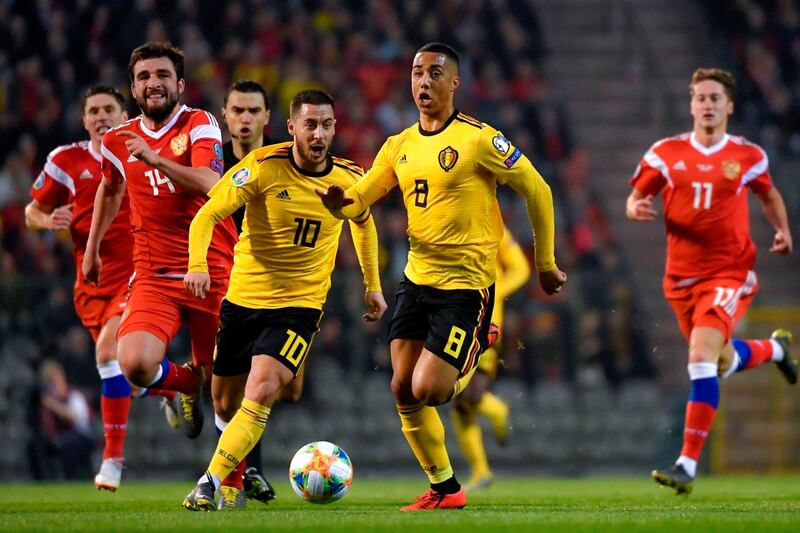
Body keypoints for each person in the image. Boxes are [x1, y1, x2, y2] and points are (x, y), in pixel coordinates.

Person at [317, 43, 566, 511]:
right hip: (415, 283)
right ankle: (446, 489)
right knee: (401, 387)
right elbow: (360, 199)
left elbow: (538, 188)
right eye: (416, 73)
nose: (424, 81)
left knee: (429, 388)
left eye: (435, 73)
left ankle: (480, 339)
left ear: (454, 83)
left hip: (466, 290)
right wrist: (340, 202)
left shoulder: (479, 140)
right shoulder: (398, 146)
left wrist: (546, 263)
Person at [182, 89, 386, 511]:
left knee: (262, 390)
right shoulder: (261, 167)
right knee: (223, 400)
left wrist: (372, 285)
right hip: (244, 300)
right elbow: (208, 214)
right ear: (292, 127)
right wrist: (197, 264)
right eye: (310, 124)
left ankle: (210, 482)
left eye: (326, 124)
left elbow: (362, 222)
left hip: (300, 306)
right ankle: (237, 476)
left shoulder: (348, 178)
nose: (319, 133)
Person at [627, 68, 796, 495]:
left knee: (700, 358)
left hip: (729, 272)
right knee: (716, 363)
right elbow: (637, 195)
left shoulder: (747, 156)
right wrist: (636, 208)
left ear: (729, 106)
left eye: (715, 98)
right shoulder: (665, 153)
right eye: (700, 98)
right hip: (679, 280)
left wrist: (782, 229)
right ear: (690, 105)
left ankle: (686, 464)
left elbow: (769, 195)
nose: (707, 105)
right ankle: (777, 349)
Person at [82, 42, 237, 466]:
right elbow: (111, 189)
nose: (154, 84)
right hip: (154, 275)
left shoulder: (200, 124)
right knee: (131, 363)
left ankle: (232, 483)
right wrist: (92, 248)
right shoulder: (117, 139)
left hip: (213, 268)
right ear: (133, 89)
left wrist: (156, 160)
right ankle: (184, 383)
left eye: (163, 76)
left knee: (225, 390)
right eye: (145, 77)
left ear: (180, 84)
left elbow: (210, 182)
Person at [24, 85, 179, 491]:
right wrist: (49, 220)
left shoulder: (143, 149)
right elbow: (31, 212)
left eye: (108, 108)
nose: (100, 116)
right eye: (92, 110)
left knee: (107, 353)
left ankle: (112, 459)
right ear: (84, 119)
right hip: (90, 282)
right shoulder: (65, 160)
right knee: (126, 374)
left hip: (140, 272)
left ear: (123, 113)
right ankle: (169, 383)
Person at [452, 225, 530, 491]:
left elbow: (521, 269)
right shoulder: (452, 219)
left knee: (465, 398)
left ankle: (496, 410)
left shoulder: (494, 227)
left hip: (485, 323)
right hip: (459, 319)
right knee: (461, 402)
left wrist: (494, 292)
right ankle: (481, 471)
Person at [27, 360, 95, 480]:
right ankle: (44, 480)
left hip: (81, 436)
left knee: (68, 444)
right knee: (35, 444)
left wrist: (53, 405)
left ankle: (72, 479)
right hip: (58, 437)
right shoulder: (45, 400)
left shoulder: (74, 396)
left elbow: (76, 418)